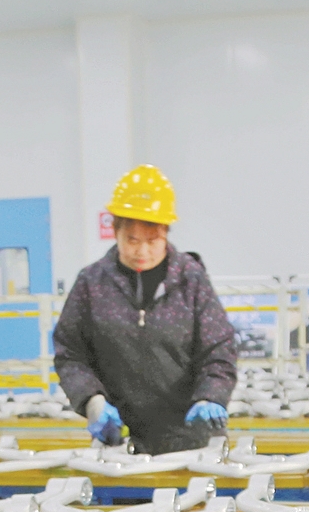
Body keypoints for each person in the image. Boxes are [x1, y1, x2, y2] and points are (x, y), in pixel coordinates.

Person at [54, 165, 238, 453]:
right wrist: (92, 401)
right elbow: (70, 353)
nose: (142, 252)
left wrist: (211, 396)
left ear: (165, 233)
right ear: (115, 231)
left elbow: (219, 348)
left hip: (190, 440)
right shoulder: (92, 283)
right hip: (118, 440)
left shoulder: (191, 280)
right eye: (132, 240)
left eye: (153, 241)